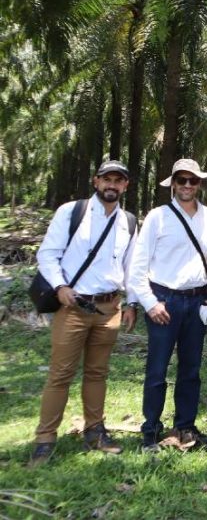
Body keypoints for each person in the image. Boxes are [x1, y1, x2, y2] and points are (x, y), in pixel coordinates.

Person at [29, 160, 138, 467]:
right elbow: (48, 254)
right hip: (73, 306)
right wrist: (61, 286)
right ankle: (45, 439)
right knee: (60, 373)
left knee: (97, 372)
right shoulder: (72, 212)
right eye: (107, 179)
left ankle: (95, 431)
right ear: (95, 181)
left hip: (109, 308)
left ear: (125, 186)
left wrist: (132, 303)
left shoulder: (128, 221)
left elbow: (130, 268)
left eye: (118, 180)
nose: (112, 185)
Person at [128, 158, 207, 451]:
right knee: (157, 369)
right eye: (182, 180)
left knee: (191, 369)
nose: (187, 186)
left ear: (199, 185)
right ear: (173, 184)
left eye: (193, 181)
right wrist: (149, 303)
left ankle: (185, 426)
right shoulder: (157, 217)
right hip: (164, 300)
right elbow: (138, 265)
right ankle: (151, 429)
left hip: (197, 302)